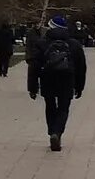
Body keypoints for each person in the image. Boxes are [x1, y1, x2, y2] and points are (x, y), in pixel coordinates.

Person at [37, 14, 89, 150]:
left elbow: (34, 66)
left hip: (47, 78)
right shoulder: (74, 44)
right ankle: (57, 132)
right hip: (67, 78)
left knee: (50, 105)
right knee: (63, 107)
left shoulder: (42, 43)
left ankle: (52, 131)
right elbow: (81, 67)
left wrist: (32, 86)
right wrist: (80, 86)